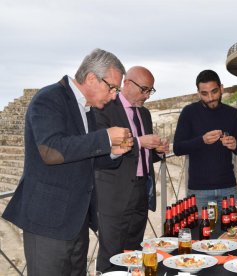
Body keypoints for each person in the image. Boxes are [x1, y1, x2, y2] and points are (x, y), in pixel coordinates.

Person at [2, 48, 132, 276]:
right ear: (92, 77)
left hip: (76, 220)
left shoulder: (87, 109)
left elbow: (84, 157)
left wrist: (113, 152)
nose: (114, 95)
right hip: (48, 221)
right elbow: (51, 151)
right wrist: (105, 137)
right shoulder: (48, 98)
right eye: (112, 87)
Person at [94, 66, 169, 272]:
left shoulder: (144, 114)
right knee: (111, 252)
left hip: (141, 190)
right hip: (114, 193)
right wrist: (139, 142)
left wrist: (159, 151)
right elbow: (103, 147)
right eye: (144, 89)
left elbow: (144, 154)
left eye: (150, 91)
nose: (146, 96)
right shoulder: (105, 108)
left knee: (134, 251)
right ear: (127, 83)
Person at [173, 69, 237, 213]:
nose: (210, 98)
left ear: (221, 88)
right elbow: (177, 148)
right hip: (199, 190)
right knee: (201, 235)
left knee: (229, 234)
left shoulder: (232, 113)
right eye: (204, 94)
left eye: (214, 92)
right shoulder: (189, 112)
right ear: (198, 93)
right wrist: (202, 140)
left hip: (228, 188)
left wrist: (235, 144)